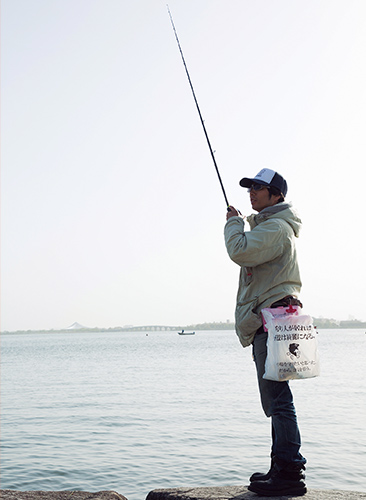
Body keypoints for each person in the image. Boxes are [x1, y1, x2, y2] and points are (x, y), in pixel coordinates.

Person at [224, 168, 307, 497]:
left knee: (279, 400)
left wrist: (233, 223)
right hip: (275, 320)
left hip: (273, 322)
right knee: (277, 398)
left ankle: (289, 471)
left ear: (277, 195)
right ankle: (282, 466)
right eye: (250, 188)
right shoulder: (273, 227)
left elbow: (240, 251)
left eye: (259, 188)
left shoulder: (274, 228)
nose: (252, 193)